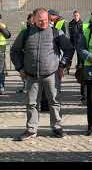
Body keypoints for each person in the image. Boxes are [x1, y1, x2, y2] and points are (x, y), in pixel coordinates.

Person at [11, 8, 74, 141]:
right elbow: (15, 51)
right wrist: (20, 68)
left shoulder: (56, 32)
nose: (43, 23)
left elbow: (69, 49)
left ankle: (57, 127)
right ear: (34, 19)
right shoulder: (26, 33)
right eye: (40, 21)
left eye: (46, 20)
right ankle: (31, 129)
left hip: (52, 74)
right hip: (31, 75)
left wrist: (62, 65)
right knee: (31, 103)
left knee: (55, 101)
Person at [17, 14, 34, 94]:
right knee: (24, 71)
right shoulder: (25, 30)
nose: (32, 20)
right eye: (31, 19)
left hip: (32, 54)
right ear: (28, 20)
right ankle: (25, 85)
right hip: (25, 53)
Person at [0, 14, 11, 95]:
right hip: (1, 49)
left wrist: (2, 28)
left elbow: (7, 35)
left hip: (1, 49)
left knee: (1, 69)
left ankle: (1, 86)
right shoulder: (2, 25)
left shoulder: (2, 26)